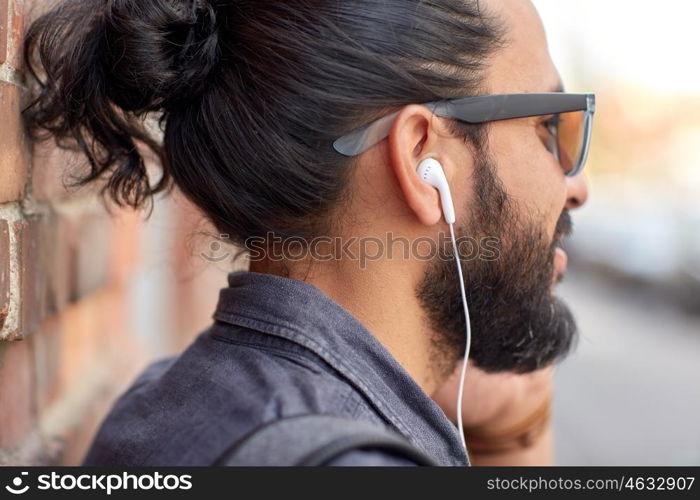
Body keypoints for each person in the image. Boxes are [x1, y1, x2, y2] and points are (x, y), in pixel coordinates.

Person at [22, 0, 591, 466]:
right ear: (425, 158)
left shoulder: (164, 399)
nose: (578, 184)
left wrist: (507, 438)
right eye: (549, 128)